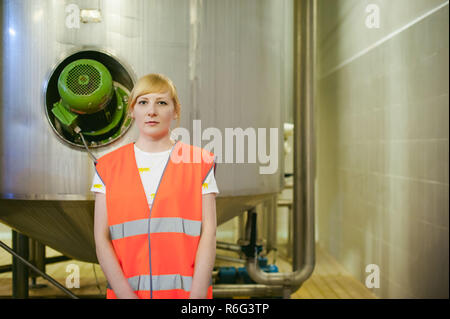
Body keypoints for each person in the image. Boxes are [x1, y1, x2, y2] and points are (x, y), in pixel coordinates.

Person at [91, 73, 218, 299]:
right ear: (132, 110)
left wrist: (196, 299)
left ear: (176, 110)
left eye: (161, 102)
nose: (152, 111)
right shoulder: (107, 167)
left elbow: (209, 233)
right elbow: (101, 237)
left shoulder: (199, 163)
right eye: (143, 102)